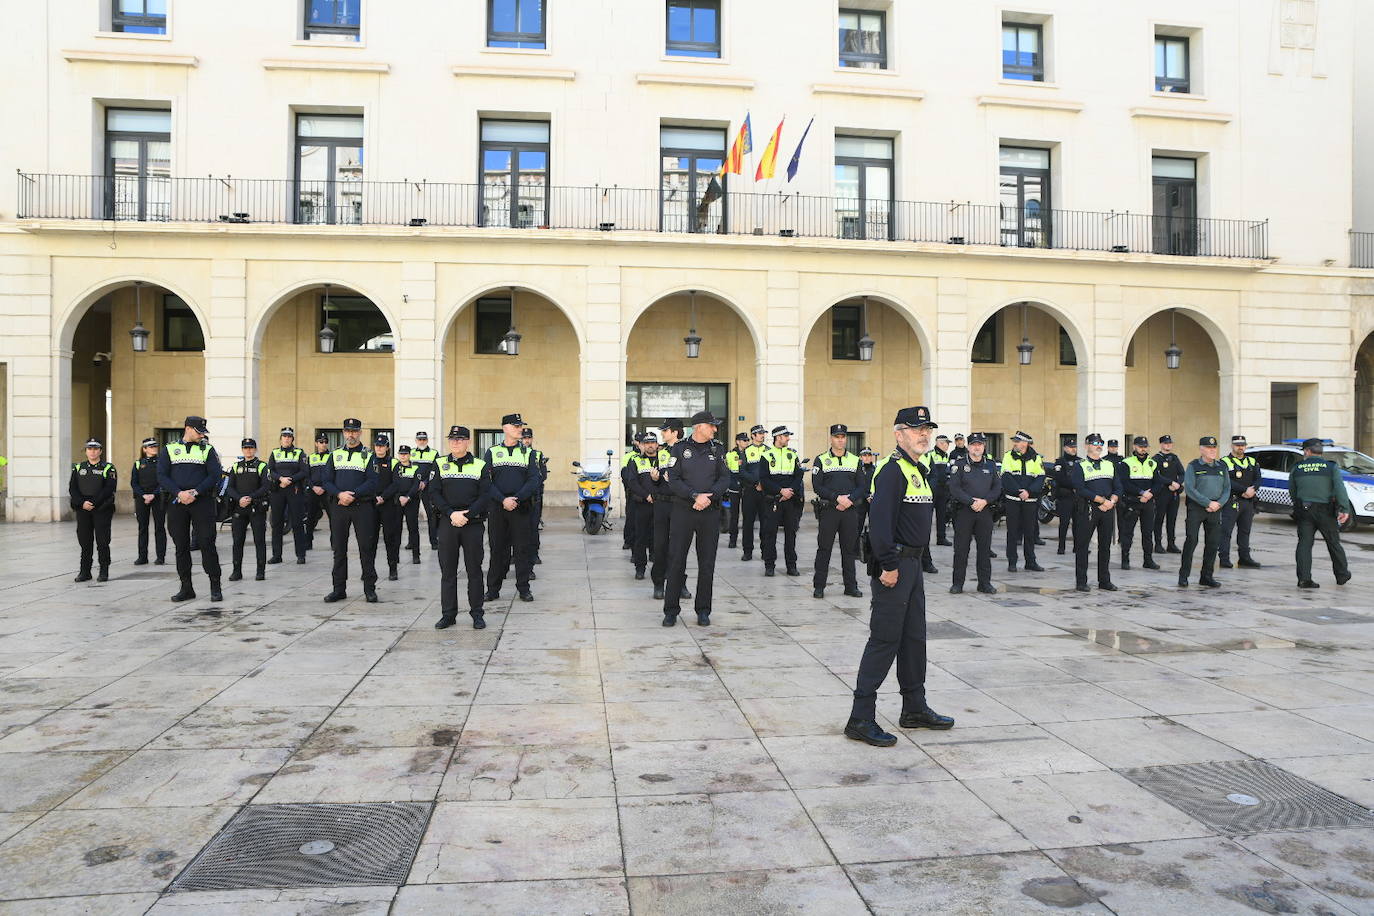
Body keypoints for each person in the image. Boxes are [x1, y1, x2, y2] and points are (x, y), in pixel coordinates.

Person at [845, 406, 954, 747]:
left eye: (927, 429)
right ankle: (860, 718)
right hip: (894, 566)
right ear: (899, 433)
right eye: (916, 429)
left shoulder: (916, 468)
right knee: (884, 640)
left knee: (913, 639)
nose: (924, 434)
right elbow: (879, 525)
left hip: (913, 566)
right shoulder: (891, 471)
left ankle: (914, 708)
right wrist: (889, 565)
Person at [662, 411, 729, 626]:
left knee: (707, 563)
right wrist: (694, 495)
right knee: (676, 561)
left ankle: (703, 610)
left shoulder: (717, 449)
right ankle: (671, 611)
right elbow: (673, 479)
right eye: (712, 426)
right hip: (684, 510)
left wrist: (710, 497)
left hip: (709, 512)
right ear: (699, 426)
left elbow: (725, 477)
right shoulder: (680, 449)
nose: (715, 429)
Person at [432, 426, 493, 629]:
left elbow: (485, 495)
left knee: (474, 570)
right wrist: (451, 513)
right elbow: (434, 493)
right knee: (448, 572)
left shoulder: (480, 465)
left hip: (472, 524)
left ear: (468, 442)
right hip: (448, 523)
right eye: (452, 440)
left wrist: (467, 514)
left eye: (459, 440)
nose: (455, 443)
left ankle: (477, 614)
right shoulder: (440, 463)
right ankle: (448, 615)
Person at [158, 416, 223, 602]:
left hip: (202, 502)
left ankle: (215, 586)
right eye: (198, 431)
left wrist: (195, 492)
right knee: (181, 546)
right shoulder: (169, 449)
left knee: (206, 543)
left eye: (203, 432)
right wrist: (179, 493)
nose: (201, 435)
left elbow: (215, 475)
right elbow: (162, 476)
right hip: (178, 503)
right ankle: (186, 588)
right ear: (187, 428)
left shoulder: (207, 449)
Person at [322, 418, 380, 603]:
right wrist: (339, 494)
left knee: (366, 548)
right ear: (343, 432)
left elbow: (373, 481)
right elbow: (326, 481)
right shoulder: (335, 454)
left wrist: (353, 494)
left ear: (360, 432)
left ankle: (369, 589)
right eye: (347, 431)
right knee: (339, 548)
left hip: (362, 507)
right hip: (339, 507)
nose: (351, 435)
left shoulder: (368, 455)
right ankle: (339, 589)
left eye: (354, 431)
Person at [484, 413, 538, 602]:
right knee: (497, 549)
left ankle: (523, 588)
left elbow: (534, 480)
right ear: (505, 428)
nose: (520, 429)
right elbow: (486, 481)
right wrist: (502, 500)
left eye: (521, 426)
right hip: (498, 509)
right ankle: (492, 589)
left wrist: (517, 498)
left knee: (522, 549)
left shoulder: (529, 453)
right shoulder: (491, 452)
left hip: (520, 508)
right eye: (515, 426)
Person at [1289, 438, 1353, 589]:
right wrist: (1344, 508)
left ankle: (1304, 579)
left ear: (1306, 451)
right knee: (1333, 543)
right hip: (1326, 511)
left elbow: (1292, 490)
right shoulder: (1330, 467)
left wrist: (1299, 504)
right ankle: (1342, 575)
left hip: (1304, 510)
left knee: (1304, 544)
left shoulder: (1297, 467)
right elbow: (1339, 489)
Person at [811, 423, 865, 599]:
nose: (840, 440)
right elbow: (817, 486)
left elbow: (862, 486)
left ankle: (851, 586)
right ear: (831, 438)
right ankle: (819, 587)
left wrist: (848, 500)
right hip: (829, 511)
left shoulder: (855, 460)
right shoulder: (821, 459)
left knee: (849, 550)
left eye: (843, 437)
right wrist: (837, 498)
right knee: (824, 549)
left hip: (849, 511)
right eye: (837, 437)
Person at [948, 432, 1000, 594]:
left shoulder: (991, 465)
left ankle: (984, 583)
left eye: (980, 444)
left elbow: (997, 488)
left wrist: (984, 502)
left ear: (984, 447)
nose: (977, 447)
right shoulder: (960, 464)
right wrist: (971, 502)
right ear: (968, 446)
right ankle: (958, 584)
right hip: (964, 512)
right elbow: (954, 488)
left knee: (984, 549)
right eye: (974, 444)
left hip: (984, 512)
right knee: (961, 550)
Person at [1070, 433, 1122, 593]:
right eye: (1094, 443)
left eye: (1100, 443)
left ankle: (1104, 580)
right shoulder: (1080, 465)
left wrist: (1111, 501)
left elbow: (1118, 486)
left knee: (1105, 546)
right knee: (1082, 546)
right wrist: (1101, 500)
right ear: (1087, 446)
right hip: (1088, 509)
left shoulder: (1109, 465)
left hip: (1107, 509)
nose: (1098, 446)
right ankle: (1081, 581)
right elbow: (1079, 489)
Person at [1178, 436, 1227, 589]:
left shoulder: (1221, 466)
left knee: (1212, 544)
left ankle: (1207, 576)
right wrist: (1207, 502)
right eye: (1208, 448)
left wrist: (1218, 504)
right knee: (1191, 540)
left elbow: (1227, 488)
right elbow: (1190, 489)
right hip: (1197, 508)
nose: (1212, 450)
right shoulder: (1193, 466)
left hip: (1215, 509)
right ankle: (1184, 576)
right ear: (1201, 449)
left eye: (1214, 448)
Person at [759, 425, 804, 577]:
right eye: (786, 436)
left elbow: (798, 476)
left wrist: (789, 491)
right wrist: (780, 491)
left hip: (790, 500)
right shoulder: (766, 455)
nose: (788, 438)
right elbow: (764, 479)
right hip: (773, 500)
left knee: (791, 533)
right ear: (778, 437)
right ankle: (769, 565)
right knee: (770, 533)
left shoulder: (792, 454)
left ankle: (791, 565)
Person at [70, 437, 117, 582]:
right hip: (83, 509)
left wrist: (93, 502)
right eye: (89, 449)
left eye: (96, 449)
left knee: (102, 541)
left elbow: (109, 489)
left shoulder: (108, 468)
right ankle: (85, 571)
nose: (92, 451)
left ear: (100, 451)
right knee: (85, 541)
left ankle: (103, 571)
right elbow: (73, 488)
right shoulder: (78, 467)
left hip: (101, 508)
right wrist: (82, 503)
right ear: (86, 451)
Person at [224, 437, 271, 582]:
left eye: (251, 447)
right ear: (242, 449)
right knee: (237, 541)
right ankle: (236, 571)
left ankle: (260, 571)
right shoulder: (236, 466)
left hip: (256, 508)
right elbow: (229, 487)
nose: (248, 450)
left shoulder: (262, 466)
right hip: (239, 508)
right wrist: (239, 499)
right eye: (245, 448)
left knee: (259, 540)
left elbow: (265, 486)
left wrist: (250, 497)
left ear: (255, 449)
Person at [1000, 431, 1046, 573]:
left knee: (1030, 532)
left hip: (1030, 500)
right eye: (1014, 441)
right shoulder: (1008, 456)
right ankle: (1012, 562)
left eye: (1018, 441)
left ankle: (1030, 561)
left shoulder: (1036, 458)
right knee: (1012, 532)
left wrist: (1029, 492)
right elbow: (1005, 476)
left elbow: (1040, 477)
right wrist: (1019, 491)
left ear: (1026, 443)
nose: (1015, 443)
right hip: (1013, 500)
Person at [1117, 436, 1162, 571]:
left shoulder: (1152, 463)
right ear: (1134, 447)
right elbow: (1124, 483)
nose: (1143, 449)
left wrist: (1150, 494)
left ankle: (1148, 560)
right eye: (1140, 446)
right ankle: (1125, 560)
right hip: (1132, 502)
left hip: (1148, 502)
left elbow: (1158, 482)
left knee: (1148, 532)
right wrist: (1141, 493)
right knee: (1127, 532)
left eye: (1145, 446)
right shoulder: (1126, 463)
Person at [266, 427, 309, 566]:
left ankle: (301, 555)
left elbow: (304, 471)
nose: (286, 438)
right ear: (280, 438)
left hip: (294, 490)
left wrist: (289, 479)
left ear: (292, 439)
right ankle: (276, 555)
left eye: (289, 436)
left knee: (297, 523)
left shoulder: (299, 453)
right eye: (284, 436)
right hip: (278, 491)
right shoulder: (275, 453)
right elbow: (270, 470)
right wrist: (280, 479)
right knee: (277, 523)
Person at [1219, 435, 1262, 569]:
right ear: (1232, 446)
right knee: (1226, 531)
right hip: (1232, 501)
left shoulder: (1252, 461)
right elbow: (1226, 481)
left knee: (1245, 531)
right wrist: (1244, 490)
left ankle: (1244, 558)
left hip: (1248, 502)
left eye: (1242, 445)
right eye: (1237, 445)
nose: (1240, 447)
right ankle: (1224, 559)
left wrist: (1253, 489)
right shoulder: (1224, 462)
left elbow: (1258, 478)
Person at [623, 431, 659, 581]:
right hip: (641, 505)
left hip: (659, 506)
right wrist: (646, 495)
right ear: (642, 445)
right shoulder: (635, 460)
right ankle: (640, 568)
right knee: (640, 538)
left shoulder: (663, 460)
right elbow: (632, 482)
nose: (650, 446)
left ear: (657, 445)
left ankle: (658, 566)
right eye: (647, 443)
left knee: (658, 538)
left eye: (653, 443)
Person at [370, 435, 404, 581]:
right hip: (371, 504)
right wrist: (373, 497)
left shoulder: (394, 463)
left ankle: (393, 568)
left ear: (387, 447)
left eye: (382, 445)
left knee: (390, 538)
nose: (379, 448)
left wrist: (383, 497)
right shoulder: (368, 461)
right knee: (370, 539)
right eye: (377, 445)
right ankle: (369, 570)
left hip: (388, 504)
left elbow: (396, 484)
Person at [130, 436, 166, 566]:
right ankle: (142, 556)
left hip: (158, 498)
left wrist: (153, 494)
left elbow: (164, 481)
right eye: (151, 447)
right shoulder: (138, 463)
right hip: (142, 499)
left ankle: (160, 556)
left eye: (155, 446)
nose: (154, 448)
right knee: (142, 528)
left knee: (159, 527)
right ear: (144, 449)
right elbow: (134, 483)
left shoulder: (162, 462)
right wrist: (144, 495)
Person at [739, 424, 769, 560]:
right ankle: (747, 551)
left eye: (763, 433)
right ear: (753, 436)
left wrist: (763, 483)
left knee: (766, 522)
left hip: (765, 492)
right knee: (748, 523)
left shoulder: (769, 450)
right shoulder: (745, 451)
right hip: (750, 491)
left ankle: (765, 550)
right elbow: (742, 471)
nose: (762, 435)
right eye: (759, 433)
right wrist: (756, 483)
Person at [1152, 435, 1185, 554]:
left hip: (1174, 493)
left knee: (1172, 519)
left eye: (1170, 443)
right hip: (1162, 493)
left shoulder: (1174, 458)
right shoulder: (1156, 459)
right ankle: (1158, 544)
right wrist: (1170, 483)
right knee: (1159, 519)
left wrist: (1177, 483)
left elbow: (1182, 473)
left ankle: (1171, 544)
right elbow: (1156, 476)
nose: (1168, 445)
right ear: (1161, 444)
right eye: (1166, 443)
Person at [521, 427, 548, 567]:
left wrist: (529, 486)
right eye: (524, 438)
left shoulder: (537, 454)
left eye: (528, 438)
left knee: (533, 528)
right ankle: (516, 555)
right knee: (517, 529)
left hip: (534, 497)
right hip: (519, 498)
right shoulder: (515, 454)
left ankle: (534, 554)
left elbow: (543, 475)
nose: (526, 440)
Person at [411, 432, 440, 551]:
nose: (422, 441)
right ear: (416, 440)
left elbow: (435, 470)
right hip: (413, 488)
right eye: (419, 439)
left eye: (424, 439)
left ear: (427, 440)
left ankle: (434, 542)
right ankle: (411, 542)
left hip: (428, 488)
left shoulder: (434, 453)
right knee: (411, 516)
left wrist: (426, 482)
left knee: (431, 516)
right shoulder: (411, 452)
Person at [1050, 439, 1079, 555]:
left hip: (1078, 497)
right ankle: (1061, 546)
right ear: (1065, 448)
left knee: (1078, 523)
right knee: (1064, 523)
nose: (1073, 449)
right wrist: (1075, 485)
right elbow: (1059, 478)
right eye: (1071, 447)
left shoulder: (1080, 461)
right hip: (1065, 496)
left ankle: (1077, 547)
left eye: (1075, 447)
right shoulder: (1060, 462)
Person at [395, 445, 423, 565]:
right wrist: (399, 497)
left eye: (405, 454)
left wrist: (408, 497)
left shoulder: (416, 467)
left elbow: (416, 485)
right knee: (396, 530)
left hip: (412, 501)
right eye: (401, 454)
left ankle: (416, 555)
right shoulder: (395, 467)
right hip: (397, 501)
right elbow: (393, 483)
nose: (403, 456)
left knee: (413, 528)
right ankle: (395, 556)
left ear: (409, 455)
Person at [307, 433, 332, 550]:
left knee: (333, 518)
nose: (324, 444)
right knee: (310, 517)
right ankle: (308, 542)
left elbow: (334, 475)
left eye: (326, 441)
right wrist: (313, 487)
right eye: (321, 442)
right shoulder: (311, 457)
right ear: (316, 443)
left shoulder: (332, 457)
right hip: (314, 491)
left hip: (327, 491)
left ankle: (334, 543)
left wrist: (325, 487)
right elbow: (307, 476)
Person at [723, 432, 748, 548]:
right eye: (744, 440)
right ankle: (733, 539)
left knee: (747, 515)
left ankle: (746, 542)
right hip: (734, 487)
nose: (746, 442)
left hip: (747, 486)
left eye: (747, 440)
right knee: (734, 516)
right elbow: (727, 471)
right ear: (737, 441)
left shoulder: (750, 453)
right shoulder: (730, 454)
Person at [928, 434, 953, 546]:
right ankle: (925, 539)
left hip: (943, 490)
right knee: (927, 516)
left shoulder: (946, 456)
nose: (947, 445)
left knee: (942, 515)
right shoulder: (930, 455)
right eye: (947, 443)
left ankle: (941, 538)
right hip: (932, 491)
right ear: (940, 443)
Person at [621, 435, 644, 551]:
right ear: (636, 442)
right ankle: (628, 541)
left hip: (646, 495)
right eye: (638, 441)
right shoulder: (629, 456)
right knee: (631, 518)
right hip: (632, 493)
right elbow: (625, 475)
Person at [856, 447, 877, 533]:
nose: (867, 457)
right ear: (861, 457)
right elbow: (857, 485)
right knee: (858, 526)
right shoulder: (858, 469)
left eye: (869, 455)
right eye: (864, 455)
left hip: (871, 500)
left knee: (874, 525)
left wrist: (872, 496)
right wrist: (866, 495)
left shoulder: (875, 469)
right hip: (860, 501)